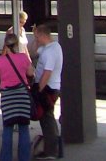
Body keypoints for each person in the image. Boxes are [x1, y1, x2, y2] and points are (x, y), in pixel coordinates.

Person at [0, 32, 35, 161]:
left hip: (7, 97)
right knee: (24, 128)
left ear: (5, 45)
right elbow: (30, 72)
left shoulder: (0, 60)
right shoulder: (23, 57)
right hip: (22, 96)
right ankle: (24, 157)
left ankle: (6, 158)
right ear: (17, 45)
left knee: (7, 129)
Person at [33, 24, 63, 160]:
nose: (36, 39)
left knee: (47, 118)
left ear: (42, 35)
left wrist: (39, 89)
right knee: (47, 117)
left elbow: (47, 72)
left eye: (37, 37)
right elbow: (35, 51)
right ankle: (53, 147)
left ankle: (51, 151)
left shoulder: (50, 52)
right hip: (51, 86)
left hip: (48, 88)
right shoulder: (53, 47)